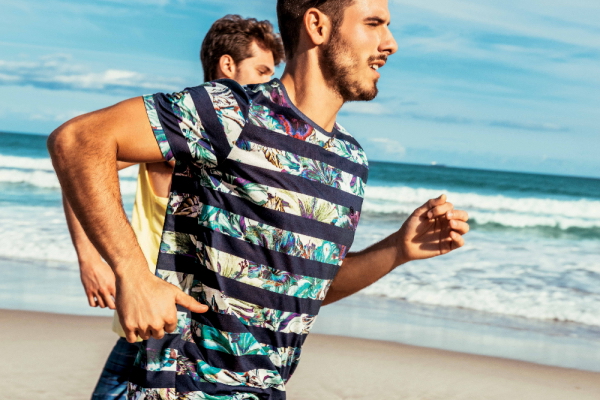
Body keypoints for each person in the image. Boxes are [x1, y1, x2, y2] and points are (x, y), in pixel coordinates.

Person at [49, 0, 470, 399]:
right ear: (318, 25)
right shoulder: (233, 112)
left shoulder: (349, 161)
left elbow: (304, 290)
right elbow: (79, 141)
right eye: (374, 24)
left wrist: (397, 249)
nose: (390, 43)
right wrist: (131, 274)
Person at [60, 14, 285, 400]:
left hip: (195, 322)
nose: (271, 84)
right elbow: (79, 162)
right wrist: (91, 259)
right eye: (262, 71)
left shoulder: (245, 147)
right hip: (161, 314)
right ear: (228, 65)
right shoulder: (182, 135)